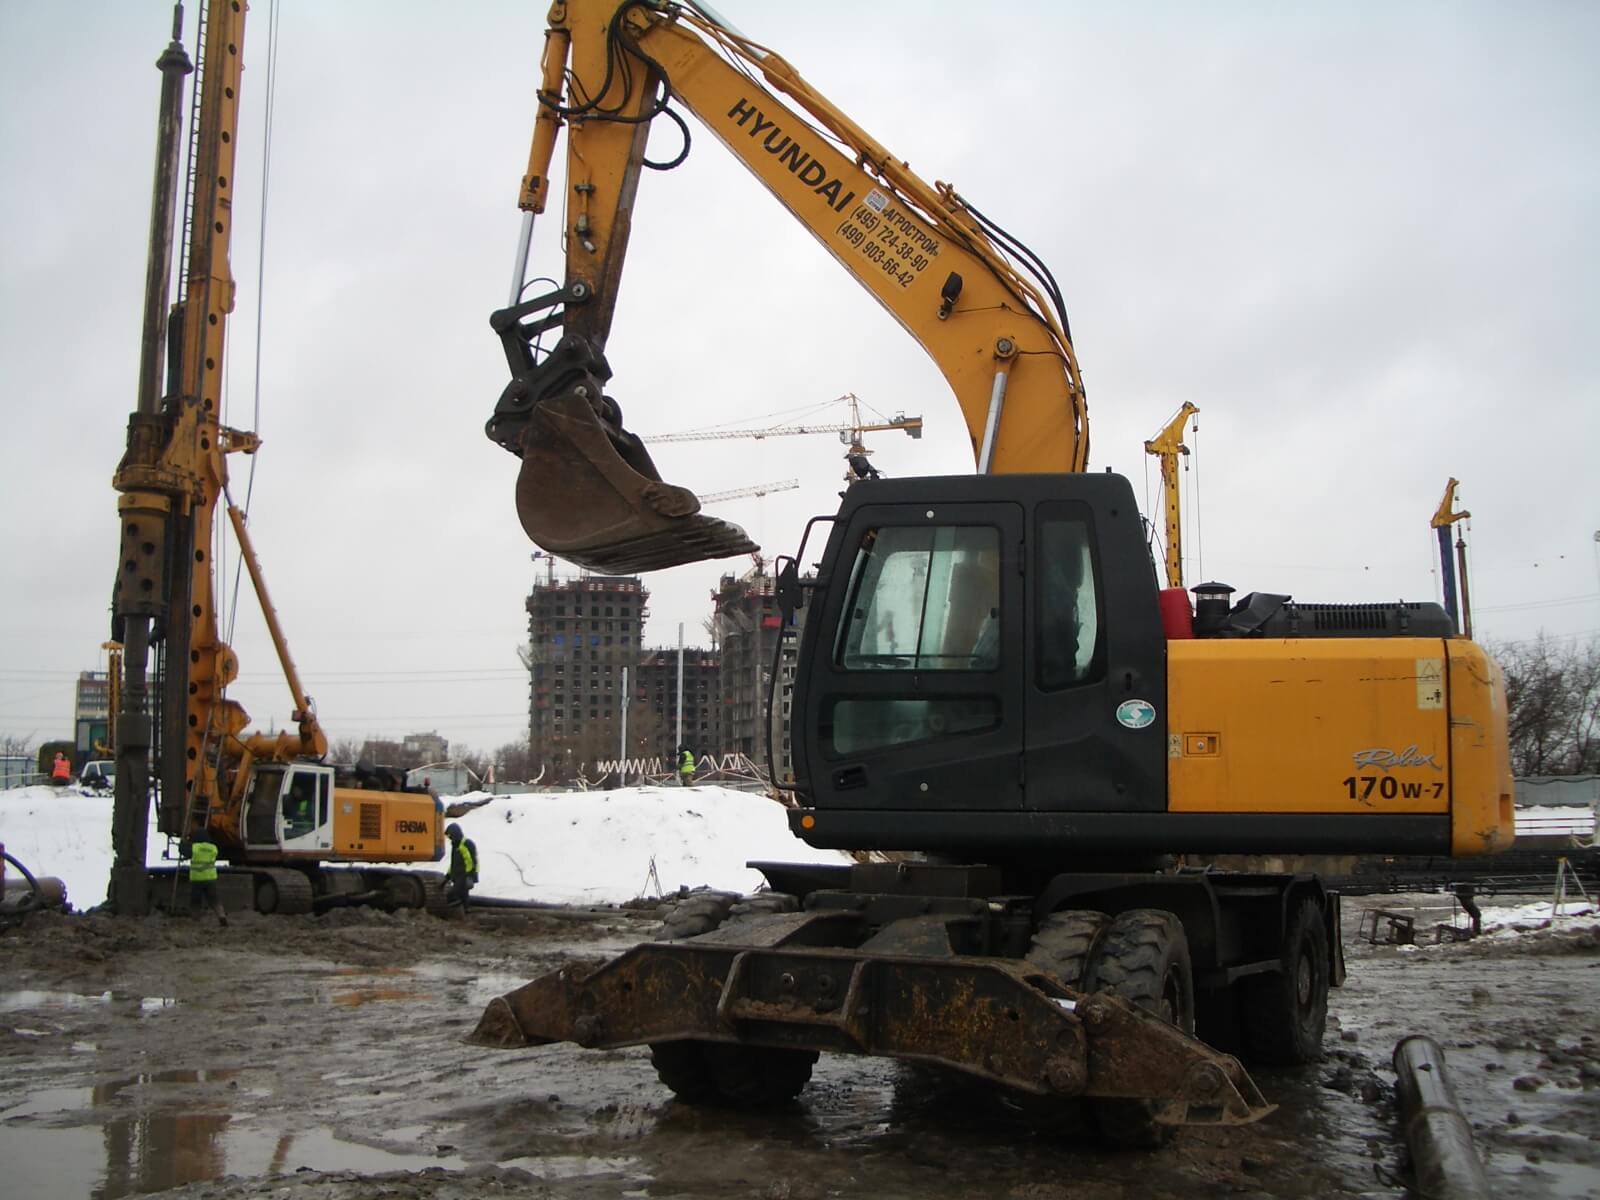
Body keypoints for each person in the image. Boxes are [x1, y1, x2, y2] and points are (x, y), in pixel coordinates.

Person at [188, 829, 227, 927]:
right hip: (210, 879)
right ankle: (222, 916)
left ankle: (196, 919)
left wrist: (183, 842)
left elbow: (183, 851)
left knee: (196, 900)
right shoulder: (213, 848)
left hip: (197, 879)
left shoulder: (195, 847)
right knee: (215, 900)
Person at [446, 823, 476, 913]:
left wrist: (468, 875)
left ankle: (460, 912)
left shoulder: (464, 844)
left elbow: (469, 861)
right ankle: (464, 912)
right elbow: (454, 863)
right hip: (458, 875)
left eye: (450, 836)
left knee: (455, 894)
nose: (450, 838)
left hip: (464, 875)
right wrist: (448, 875)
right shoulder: (456, 846)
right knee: (463, 895)